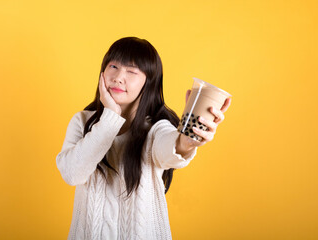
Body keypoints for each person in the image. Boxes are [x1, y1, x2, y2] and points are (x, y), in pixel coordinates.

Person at [56, 37, 231, 240]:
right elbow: (72, 174)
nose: (119, 77)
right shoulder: (82, 122)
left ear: (148, 82)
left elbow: (169, 147)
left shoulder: (156, 128)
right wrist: (110, 116)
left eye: (131, 71)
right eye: (113, 66)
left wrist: (187, 142)